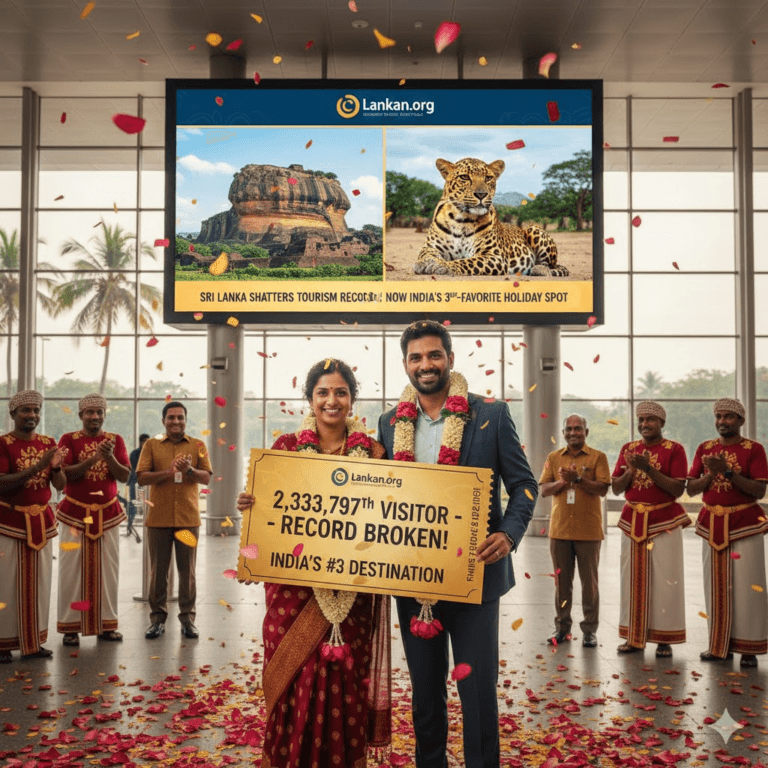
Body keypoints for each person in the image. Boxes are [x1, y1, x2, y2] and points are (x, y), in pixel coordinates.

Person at [377, 320, 536, 768]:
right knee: (425, 696)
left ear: (449, 357)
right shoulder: (389, 424)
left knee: (477, 693)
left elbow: (524, 485)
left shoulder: (491, 414)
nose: (425, 365)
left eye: (433, 355)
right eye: (415, 358)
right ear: (405, 364)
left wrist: (507, 533)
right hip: (413, 585)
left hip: (476, 580)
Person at [236, 359, 391, 768]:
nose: (332, 400)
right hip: (292, 595)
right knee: (292, 684)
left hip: (351, 595)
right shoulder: (286, 450)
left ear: (352, 400)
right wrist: (249, 515)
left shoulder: (374, 455)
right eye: (323, 392)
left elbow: (389, 516)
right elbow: (266, 518)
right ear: (309, 399)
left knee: (344, 684)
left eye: (340, 392)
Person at [687, 398, 768, 667]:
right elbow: (692, 489)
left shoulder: (754, 449)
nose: (722, 421)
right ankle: (718, 645)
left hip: (746, 523)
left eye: (729, 416)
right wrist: (712, 474)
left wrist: (729, 472)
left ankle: (749, 648)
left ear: (741, 421)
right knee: (714, 586)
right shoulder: (705, 448)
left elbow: (759, 491)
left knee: (748, 587)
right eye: (719, 416)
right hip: (712, 524)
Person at [611, 401, 690, 658]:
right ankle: (633, 637)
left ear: (662, 423)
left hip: (664, 521)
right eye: (641, 419)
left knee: (666, 580)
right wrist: (632, 470)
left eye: (651, 420)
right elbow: (616, 487)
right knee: (630, 580)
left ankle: (663, 639)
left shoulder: (675, 449)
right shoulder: (628, 449)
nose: (645, 424)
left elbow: (678, 490)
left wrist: (648, 469)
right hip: (632, 519)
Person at [56, 393, 130, 646]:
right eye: (90, 412)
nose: (95, 417)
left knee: (109, 571)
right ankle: (70, 627)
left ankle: (107, 625)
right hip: (74, 514)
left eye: (99, 412)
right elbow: (66, 475)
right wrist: (95, 458)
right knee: (70, 570)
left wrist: (109, 457)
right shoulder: (69, 439)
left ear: (104, 415)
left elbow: (123, 476)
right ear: (81, 416)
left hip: (108, 514)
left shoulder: (115, 440)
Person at [136, 401, 212, 640]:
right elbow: (141, 478)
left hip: (188, 520)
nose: (176, 422)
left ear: (185, 421)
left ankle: (188, 620)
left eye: (180, 418)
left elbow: (207, 478)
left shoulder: (198, 445)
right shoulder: (151, 445)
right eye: (171, 418)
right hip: (158, 520)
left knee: (187, 571)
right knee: (158, 572)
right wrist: (169, 472)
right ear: (163, 421)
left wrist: (189, 470)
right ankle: (157, 620)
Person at [0, 390, 66, 662]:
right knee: (5, 584)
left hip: (41, 521)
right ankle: (3, 643)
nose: (32, 415)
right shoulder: (3, 443)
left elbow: (59, 485)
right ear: (13, 414)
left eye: (36, 410)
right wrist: (38, 465)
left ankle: (33, 642)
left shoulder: (48, 443)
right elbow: (2, 482)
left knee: (40, 583)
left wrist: (56, 468)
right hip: (9, 522)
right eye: (26, 410)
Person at [539, 414, 610, 648]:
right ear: (563, 433)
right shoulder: (553, 457)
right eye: (569, 429)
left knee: (589, 584)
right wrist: (563, 482)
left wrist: (577, 479)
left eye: (578, 429)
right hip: (559, 532)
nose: (573, 433)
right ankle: (562, 628)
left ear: (586, 432)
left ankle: (590, 630)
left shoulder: (598, 457)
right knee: (562, 583)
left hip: (588, 531)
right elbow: (544, 490)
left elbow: (601, 489)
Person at [126, 433, 149, 539]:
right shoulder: (135, 454)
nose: (146, 443)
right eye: (145, 441)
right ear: (140, 442)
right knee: (133, 504)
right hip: (135, 482)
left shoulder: (150, 453)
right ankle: (129, 527)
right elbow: (136, 470)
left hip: (146, 483)